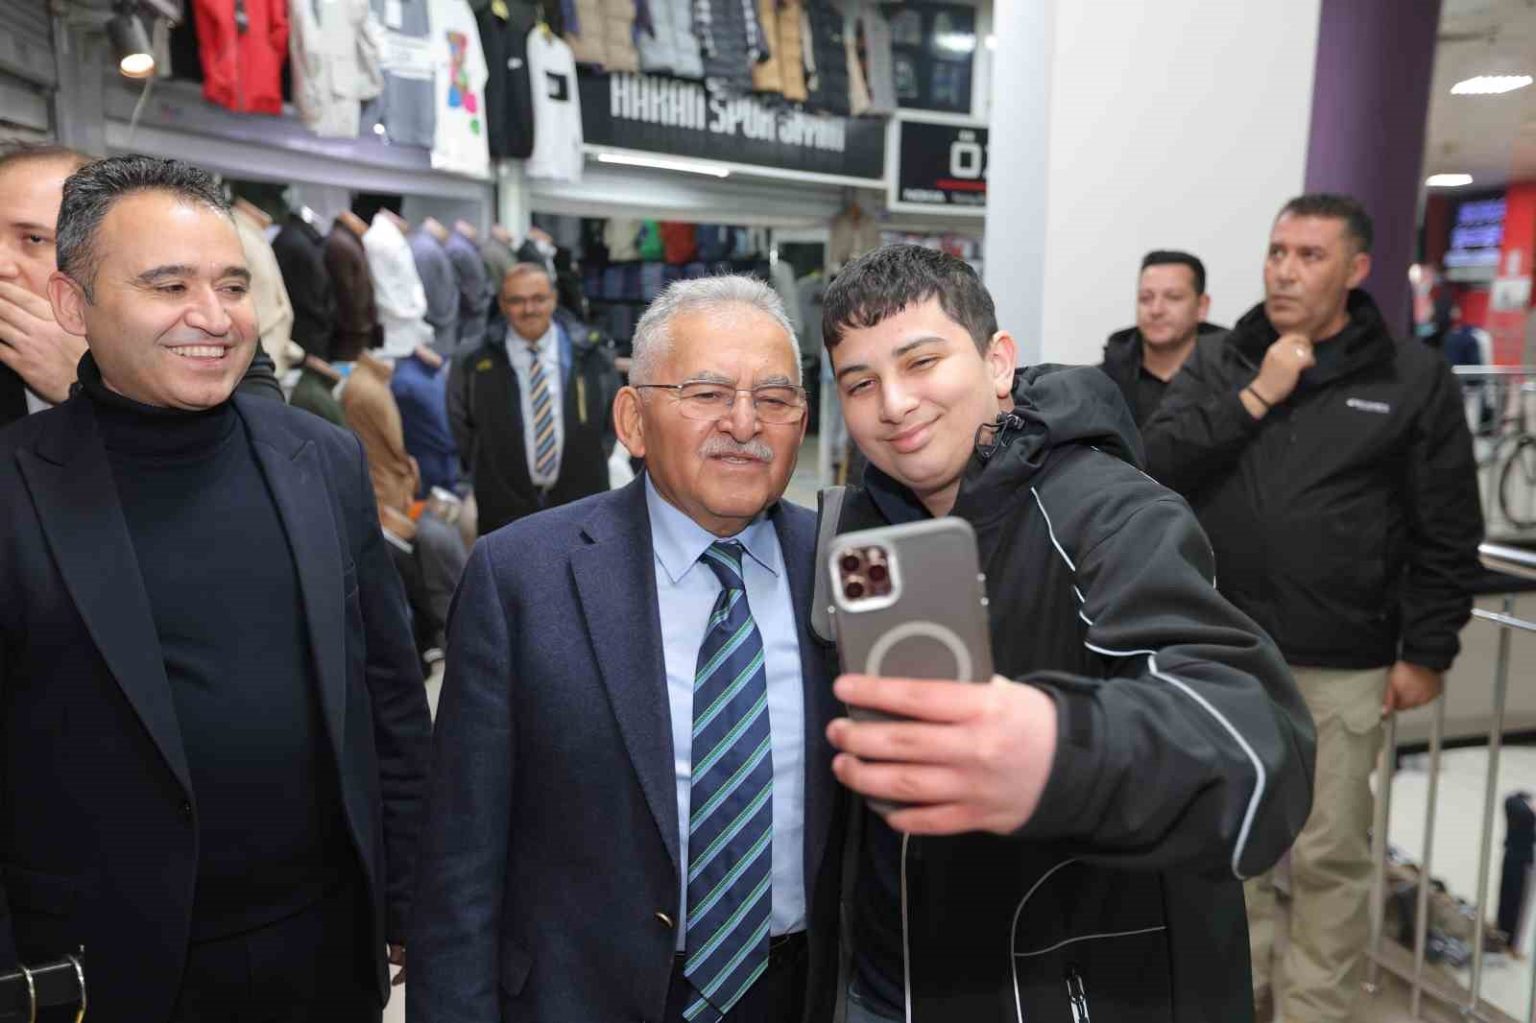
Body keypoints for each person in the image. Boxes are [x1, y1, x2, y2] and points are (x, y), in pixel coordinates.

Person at [817, 244, 1314, 1022]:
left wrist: (1060, 750)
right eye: (860, 383)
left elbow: (1256, 739)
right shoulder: (862, 527)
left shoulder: (1106, 512)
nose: (895, 402)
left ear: (998, 362)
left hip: (1051, 985)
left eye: (921, 362)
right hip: (883, 982)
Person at [0, 155, 433, 1021]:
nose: (213, 315)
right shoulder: (15, 487)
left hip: (324, 955)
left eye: (232, 285)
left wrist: (412, 897)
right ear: (73, 305)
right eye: (169, 286)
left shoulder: (320, 458)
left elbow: (388, 696)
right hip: (103, 972)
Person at [410, 276, 846, 1023]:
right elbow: (460, 860)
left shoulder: (843, 567)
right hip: (581, 996)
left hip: (796, 993)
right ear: (633, 420)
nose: (745, 423)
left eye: (774, 399)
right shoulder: (521, 577)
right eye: (707, 393)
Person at [1141, 193, 1483, 1022]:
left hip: (1344, 660)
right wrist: (1258, 393)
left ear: (1356, 268)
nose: (1285, 271)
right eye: (1277, 252)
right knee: (1235, 840)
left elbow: (1447, 525)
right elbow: (1158, 462)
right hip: (1227, 654)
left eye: (1309, 255)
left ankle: (1314, 1010)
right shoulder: (1224, 359)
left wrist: (1427, 650)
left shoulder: (1410, 377)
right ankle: (1241, 993)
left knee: (1330, 852)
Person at [0, 143, 283, 428]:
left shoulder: (209, 326)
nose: (3, 265)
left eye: (34, 239)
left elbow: (266, 431)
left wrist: (94, 389)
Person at [447, 261, 619, 535]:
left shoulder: (591, 352)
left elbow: (610, 420)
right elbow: (461, 425)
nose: (529, 309)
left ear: (554, 299)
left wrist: (586, 455)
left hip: (581, 502)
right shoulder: (473, 359)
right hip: (504, 509)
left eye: (538, 299)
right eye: (517, 301)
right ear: (502, 304)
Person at [1099, 249, 1225, 426]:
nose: (1156, 310)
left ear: (1202, 306)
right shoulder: (1101, 384)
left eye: (1173, 297)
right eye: (1146, 298)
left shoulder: (1235, 380)